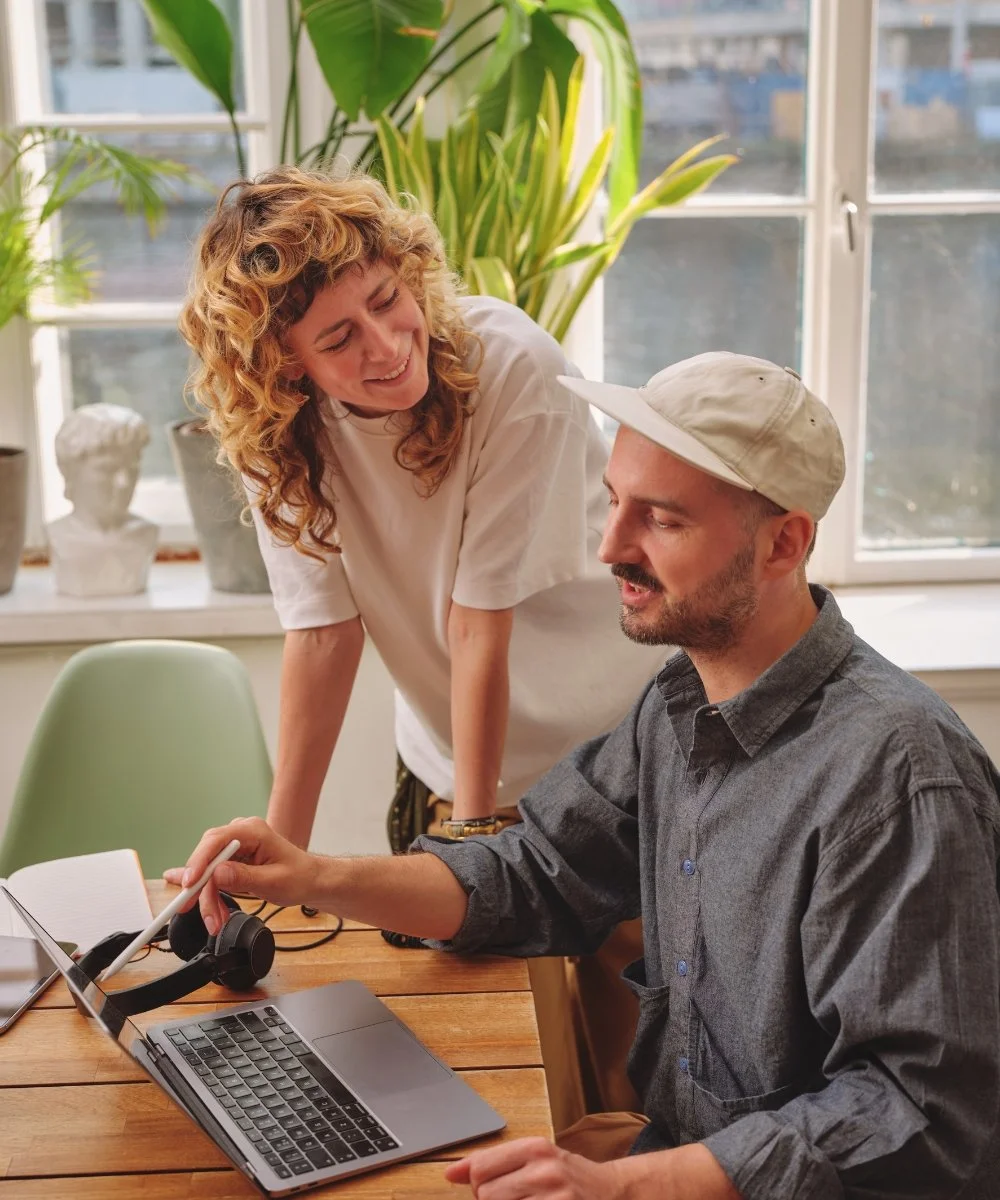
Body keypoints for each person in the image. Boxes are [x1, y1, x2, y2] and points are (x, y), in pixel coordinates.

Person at [179, 351, 1000, 1199]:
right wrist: (312, 875)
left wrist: (628, 1186)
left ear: (783, 543)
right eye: (614, 503)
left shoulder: (899, 777)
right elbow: (538, 872)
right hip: (669, 1149)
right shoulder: (680, 703)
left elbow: (918, 1110)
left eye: (662, 520)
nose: (611, 547)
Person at [171, 166, 664, 1124]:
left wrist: (476, 856)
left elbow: (479, 623)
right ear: (283, 367)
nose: (389, 345)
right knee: (468, 1072)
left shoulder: (510, 363)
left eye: (388, 302)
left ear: (406, 271)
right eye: (338, 339)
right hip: (445, 762)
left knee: (620, 1083)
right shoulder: (278, 437)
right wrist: (286, 859)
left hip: (605, 761)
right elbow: (322, 636)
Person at [48, 402, 158, 597]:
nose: (124, 482)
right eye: (107, 469)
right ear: (71, 472)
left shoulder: (145, 533)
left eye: (132, 469)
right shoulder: (58, 536)